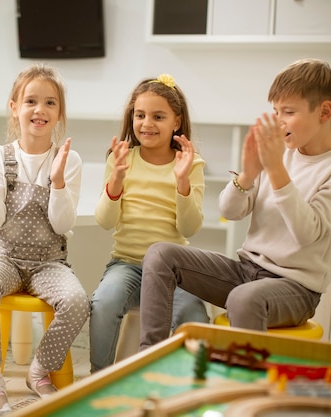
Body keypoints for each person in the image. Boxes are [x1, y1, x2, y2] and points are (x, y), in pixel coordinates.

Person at [139, 58, 331, 349]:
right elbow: (230, 211)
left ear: (324, 112)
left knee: (243, 298)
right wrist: (246, 175)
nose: (279, 121)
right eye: (275, 111)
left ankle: (245, 384)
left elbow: (307, 233)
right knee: (160, 255)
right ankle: (148, 355)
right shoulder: (279, 152)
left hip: (296, 289)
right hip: (246, 271)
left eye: (289, 112)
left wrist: (276, 172)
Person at [0, 63, 90, 416]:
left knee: (78, 301)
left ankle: (39, 371)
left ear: (59, 112)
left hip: (49, 262)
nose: (40, 110)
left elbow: (62, 224)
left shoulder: (71, 160)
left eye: (50, 103)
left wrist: (59, 181)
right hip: (3, 256)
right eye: (31, 101)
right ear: (14, 107)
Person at [89, 74, 209, 374]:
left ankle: (189, 383)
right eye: (140, 115)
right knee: (103, 304)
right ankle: (98, 377)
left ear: (176, 121)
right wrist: (115, 180)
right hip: (127, 265)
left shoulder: (190, 164)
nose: (146, 123)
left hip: (173, 271)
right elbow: (104, 221)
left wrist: (182, 183)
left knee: (194, 316)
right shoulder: (121, 159)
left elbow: (190, 229)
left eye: (158, 116)